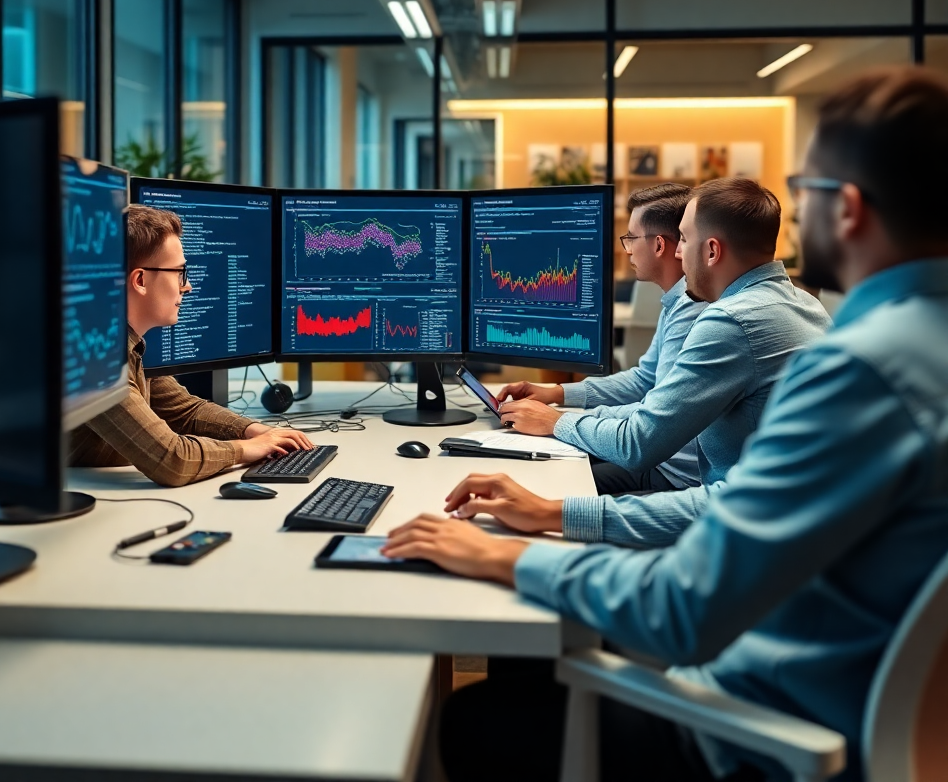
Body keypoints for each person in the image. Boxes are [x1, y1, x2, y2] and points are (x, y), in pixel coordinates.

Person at [384, 66, 948, 782]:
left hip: (765, 734)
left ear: (851, 209)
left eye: (807, 194)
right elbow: (730, 502)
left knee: (478, 720)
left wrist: (502, 554)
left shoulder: (861, 372)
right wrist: (559, 511)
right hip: (866, 712)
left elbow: (682, 608)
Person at [497, 178, 829, 531]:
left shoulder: (731, 320)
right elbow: (651, 395)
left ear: (712, 251)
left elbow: (639, 443)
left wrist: (556, 421)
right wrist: (560, 407)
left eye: (684, 239)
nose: (676, 251)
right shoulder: (805, 303)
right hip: (786, 516)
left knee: (542, 507)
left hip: (747, 524)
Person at [70, 205, 313, 486]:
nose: (188, 287)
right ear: (140, 280)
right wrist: (246, 450)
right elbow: (172, 460)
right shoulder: (94, 359)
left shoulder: (122, 341)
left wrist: (254, 431)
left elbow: (185, 411)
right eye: (179, 273)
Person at [498, 182, 707, 495]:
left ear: (660, 245)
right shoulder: (676, 302)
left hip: (670, 471)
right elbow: (644, 379)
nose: (627, 249)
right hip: (656, 456)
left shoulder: (693, 308)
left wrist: (557, 420)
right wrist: (556, 394)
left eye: (631, 238)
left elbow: (649, 418)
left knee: (549, 483)